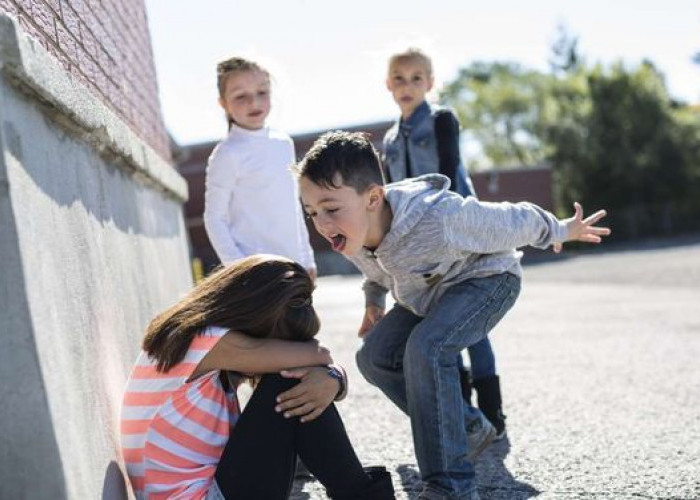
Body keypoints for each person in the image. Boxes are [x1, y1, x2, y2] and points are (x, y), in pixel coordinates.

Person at [294, 131, 610, 499]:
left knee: (427, 348)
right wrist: (373, 303)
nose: (321, 223)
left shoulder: (438, 217)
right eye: (312, 212)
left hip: (488, 280)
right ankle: (468, 427)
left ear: (373, 198)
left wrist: (558, 229)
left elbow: (510, 219)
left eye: (330, 209)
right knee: (373, 357)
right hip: (428, 295)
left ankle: (452, 486)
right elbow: (376, 272)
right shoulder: (351, 230)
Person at [120, 254, 395, 499]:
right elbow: (319, 354)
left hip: (208, 490)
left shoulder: (192, 340)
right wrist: (331, 376)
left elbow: (320, 363)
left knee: (295, 381)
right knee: (289, 380)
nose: (276, 356)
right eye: (279, 344)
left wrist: (333, 379)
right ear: (254, 318)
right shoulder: (206, 341)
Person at [382, 47, 505, 438]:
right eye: (399, 78)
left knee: (473, 326)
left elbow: (451, 173)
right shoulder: (388, 139)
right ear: (388, 85)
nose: (407, 85)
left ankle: (493, 413)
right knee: (439, 324)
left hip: (457, 233)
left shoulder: (441, 120)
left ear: (430, 83)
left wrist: (466, 234)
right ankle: (468, 418)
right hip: (418, 246)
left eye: (417, 77)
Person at [204, 56, 316, 279]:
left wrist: (307, 259)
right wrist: (239, 268)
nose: (253, 102)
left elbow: (293, 206)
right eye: (240, 96)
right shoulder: (227, 154)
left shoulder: (284, 144)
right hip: (255, 273)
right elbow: (214, 218)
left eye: (262, 93)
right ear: (223, 103)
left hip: (294, 267)